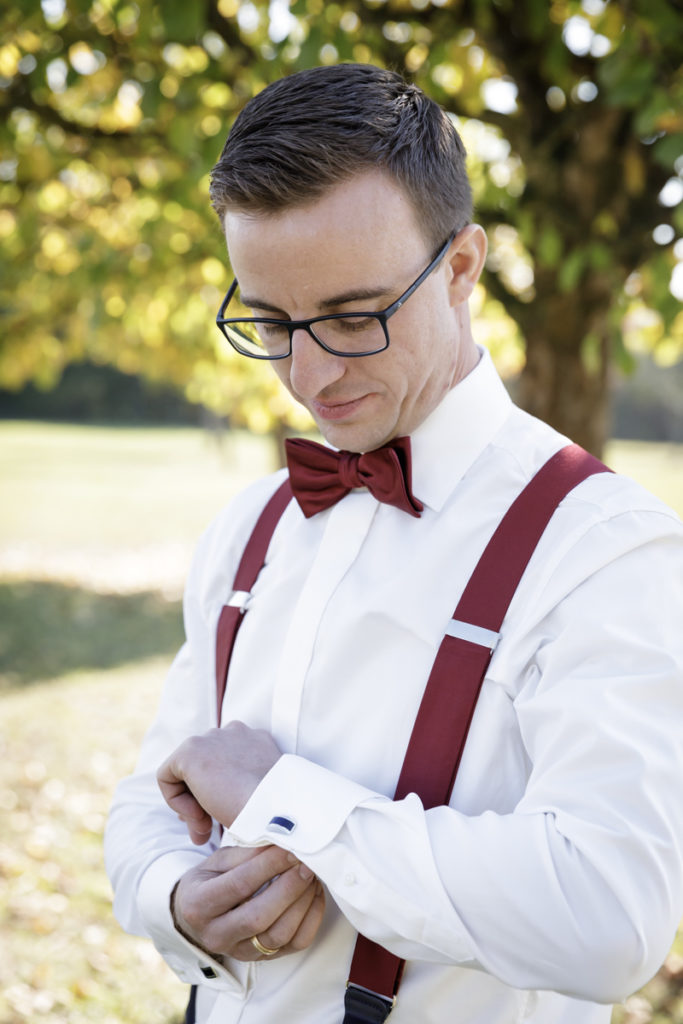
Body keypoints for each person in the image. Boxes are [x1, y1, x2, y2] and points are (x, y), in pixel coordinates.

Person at [105, 64, 683, 1024]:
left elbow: (610, 915)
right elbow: (151, 793)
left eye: (352, 316)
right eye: (272, 322)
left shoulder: (605, 549)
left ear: (460, 269)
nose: (310, 373)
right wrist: (173, 898)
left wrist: (293, 807)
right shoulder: (247, 529)